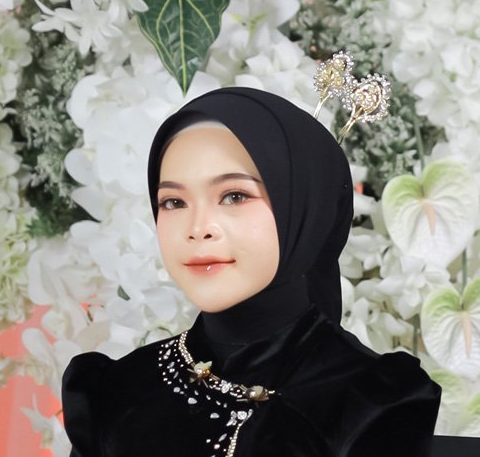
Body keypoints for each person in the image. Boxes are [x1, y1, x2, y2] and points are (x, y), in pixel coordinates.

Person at [62, 87, 441, 456]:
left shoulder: (368, 402)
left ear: (303, 209)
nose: (198, 228)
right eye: (174, 202)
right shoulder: (115, 389)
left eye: (234, 196)